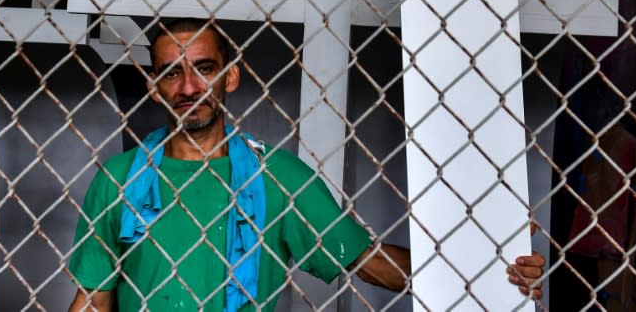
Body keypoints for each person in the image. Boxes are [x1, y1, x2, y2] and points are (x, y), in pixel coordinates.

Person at [68, 18, 544, 311]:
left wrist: (485, 269)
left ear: (230, 77)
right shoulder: (118, 179)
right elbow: (94, 299)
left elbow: (367, 261)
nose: (188, 87)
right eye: (171, 72)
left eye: (204, 68)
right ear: (155, 87)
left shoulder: (278, 178)